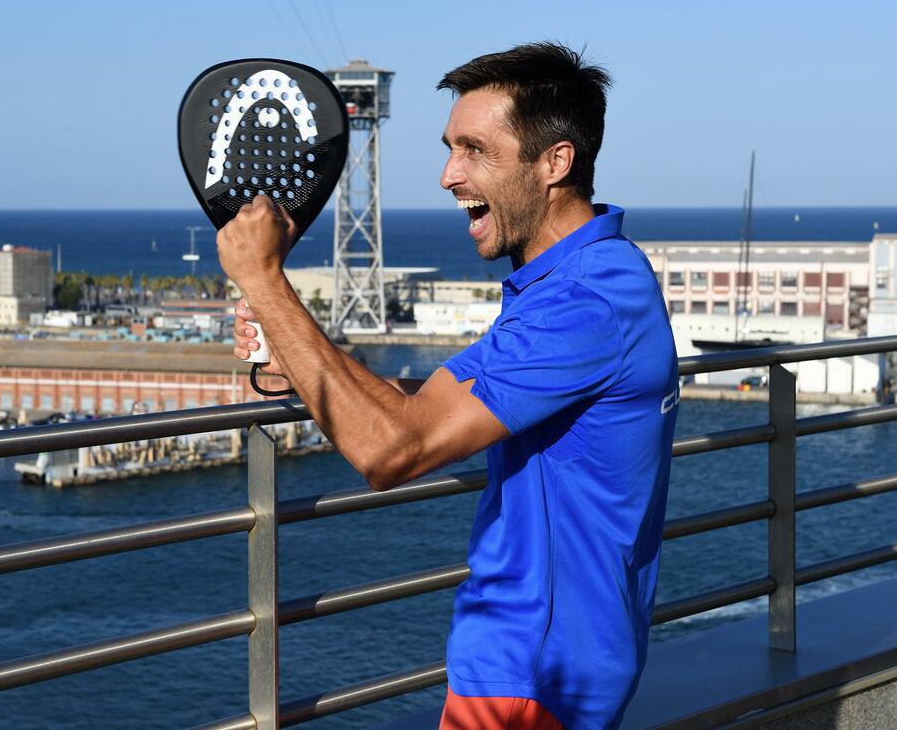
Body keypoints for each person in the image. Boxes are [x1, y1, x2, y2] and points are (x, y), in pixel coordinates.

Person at [217, 42, 678, 729]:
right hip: (549, 663)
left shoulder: (582, 304)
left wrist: (263, 280)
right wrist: (307, 357)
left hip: (530, 675)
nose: (447, 174)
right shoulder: (582, 276)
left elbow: (392, 449)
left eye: (475, 150)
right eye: (449, 147)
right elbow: (424, 408)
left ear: (555, 161)